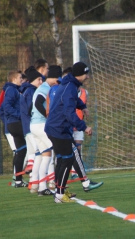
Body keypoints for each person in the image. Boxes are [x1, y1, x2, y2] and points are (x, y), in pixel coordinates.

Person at [45, 61, 103, 204]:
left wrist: (83, 107)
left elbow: (74, 100)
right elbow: (69, 113)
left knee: (63, 159)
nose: (87, 77)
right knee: (67, 159)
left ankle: (61, 190)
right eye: (86, 74)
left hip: (56, 128)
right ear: (79, 75)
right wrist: (84, 127)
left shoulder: (69, 85)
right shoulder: (70, 87)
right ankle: (59, 195)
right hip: (59, 129)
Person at [30, 65, 62, 196]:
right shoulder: (45, 88)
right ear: (54, 78)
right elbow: (38, 103)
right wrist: (48, 116)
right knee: (59, 150)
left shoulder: (42, 87)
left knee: (46, 155)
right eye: (58, 79)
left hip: (34, 125)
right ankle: (58, 183)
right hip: (41, 125)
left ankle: (41, 187)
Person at [20, 66, 43, 190]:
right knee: (41, 154)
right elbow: (31, 109)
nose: (41, 82)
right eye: (39, 79)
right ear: (33, 80)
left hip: (27, 128)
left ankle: (33, 183)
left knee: (34, 154)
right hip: (31, 127)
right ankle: (39, 183)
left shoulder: (25, 91)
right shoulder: (31, 92)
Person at [3, 70, 28, 187]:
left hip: (14, 124)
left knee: (21, 151)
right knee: (34, 144)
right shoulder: (12, 90)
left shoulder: (14, 90)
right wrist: (20, 115)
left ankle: (18, 180)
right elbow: (6, 107)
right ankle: (37, 176)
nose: (21, 80)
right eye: (20, 78)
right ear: (14, 80)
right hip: (16, 123)